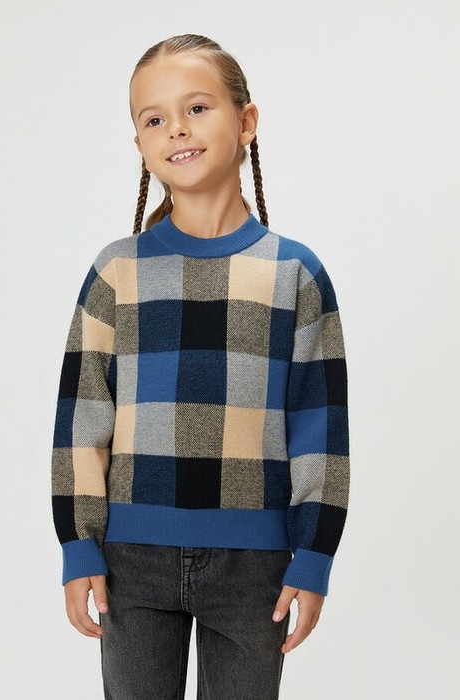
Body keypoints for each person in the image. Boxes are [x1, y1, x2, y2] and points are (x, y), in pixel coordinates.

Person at [51, 33, 350, 700]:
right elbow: (83, 420)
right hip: (131, 562)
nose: (177, 129)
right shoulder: (116, 272)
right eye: (154, 118)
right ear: (139, 144)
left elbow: (320, 428)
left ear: (246, 121)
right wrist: (78, 543)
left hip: (256, 565)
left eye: (196, 108)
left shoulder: (295, 274)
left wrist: (314, 553)